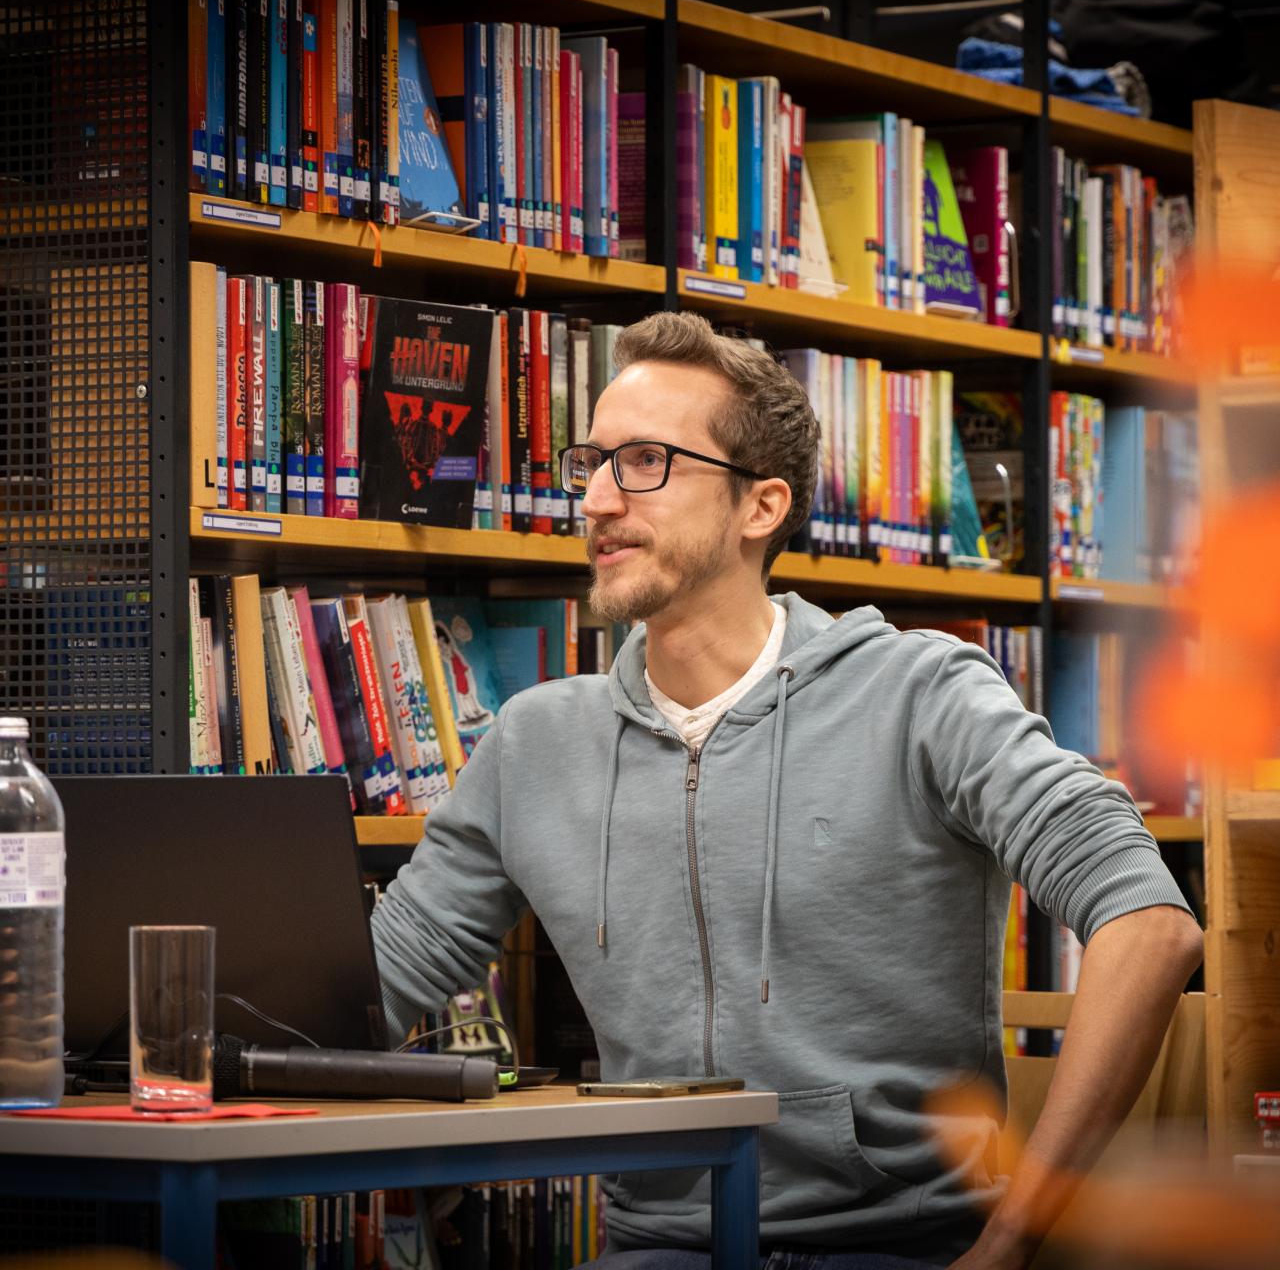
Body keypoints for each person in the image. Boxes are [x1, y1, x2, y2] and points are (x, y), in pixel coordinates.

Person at [371, 312, 1203, 1268]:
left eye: (644, 461)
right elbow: (371, 985)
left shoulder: (921, 694)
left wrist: (1015, 1238)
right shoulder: (535, 741)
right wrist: (181, 1032)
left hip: (901, 1245)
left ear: (759, 507)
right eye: (591, 462)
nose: (596, 500)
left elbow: (1150, 925)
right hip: (662, 1251)